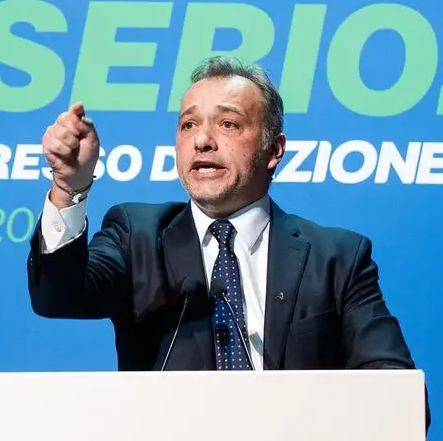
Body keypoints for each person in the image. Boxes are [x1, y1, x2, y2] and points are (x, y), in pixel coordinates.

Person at [26, 56, 430, 432]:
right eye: (188, 125)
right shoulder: (138, 236)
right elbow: (57, 297)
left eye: (228, 124)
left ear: (274, 149)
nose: (202, 140)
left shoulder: (337, 259)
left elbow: (398, 395)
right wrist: (69, 187)